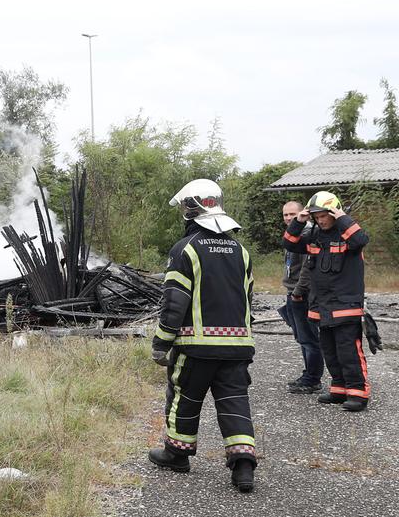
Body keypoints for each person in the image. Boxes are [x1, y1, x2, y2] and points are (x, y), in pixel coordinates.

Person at [148, 178, 258, 493]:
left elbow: (174, 303)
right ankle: (243, 466)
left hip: (195, 348)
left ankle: (177, 454)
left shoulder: (186, 249)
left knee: (184, 399)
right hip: (237, 347)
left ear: (191, 209)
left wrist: (161, 343)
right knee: (235, 402)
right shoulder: (241, 251)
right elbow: (248, 300)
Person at [283, 190, 372, 411]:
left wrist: (342, 217)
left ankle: (358, 393)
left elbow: (361, 239)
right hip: (322, 307)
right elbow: (289, 243)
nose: (321, 220)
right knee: (330, 351)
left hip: (345, 305)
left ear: (334, 213)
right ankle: (339, 388)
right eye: (317, 216)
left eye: (325, 215)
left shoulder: (348, 236)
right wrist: (298, 221)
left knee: (348, 350)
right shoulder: (314, 236)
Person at [278, 200, 325, 393]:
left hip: (302, 296)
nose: (289, 218)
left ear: (302, 215)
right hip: (292, 293)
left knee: (309, 339)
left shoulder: (306, 235)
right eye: (285, 215)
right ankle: (308, 374)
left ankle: (313, 379)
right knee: (302, 338)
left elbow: (308, 268)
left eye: (292, 214)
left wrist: (298, 292)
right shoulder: (293, 235)